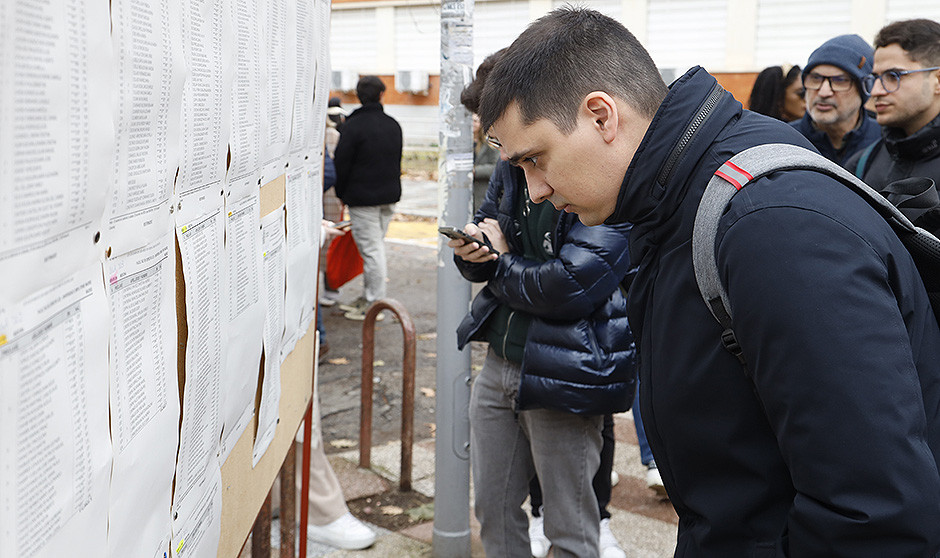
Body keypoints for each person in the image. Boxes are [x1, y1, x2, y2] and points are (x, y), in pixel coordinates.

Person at [478, 7, 940, 556]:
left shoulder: (769, 225)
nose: (532, 190)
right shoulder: (679, 195)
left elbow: (871, 514)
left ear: (602, 116)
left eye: (534, 159)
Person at [451, 52, 636, 557]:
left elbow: (572, 286)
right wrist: (477, 254)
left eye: (513, 143)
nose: (518, 165)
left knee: (570, 526)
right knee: (493, 509)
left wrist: (501, 263)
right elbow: (490, 237)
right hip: (501, 356)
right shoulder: (513, 168)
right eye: (497, 141)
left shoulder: (603, 177)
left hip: (569, 366)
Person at [847, 18, 940, 235]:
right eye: (875, 77)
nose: (877, 90)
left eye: (894, 76)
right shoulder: (862, 163)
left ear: (937, 80)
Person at [333, 76, 403, 320]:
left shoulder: (353, 126)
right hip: (389, 197)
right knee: (375, 250)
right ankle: (368, 298)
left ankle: (375, 305)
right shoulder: (393, 124)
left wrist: (341, 193)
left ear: (359, 96)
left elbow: (341, 164)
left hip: (362, 199)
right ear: (382, 94)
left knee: (372, 252)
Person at [790, 34, 881, 165]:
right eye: (815, 78)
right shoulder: (785, 140)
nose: (824, 92)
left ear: (865, 88)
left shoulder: (885, 143)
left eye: (840, 80)